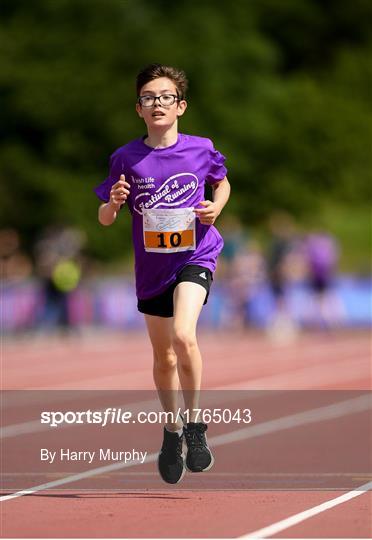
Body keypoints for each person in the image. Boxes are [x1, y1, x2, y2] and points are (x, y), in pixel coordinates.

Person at [94, 64, 231, 484]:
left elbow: (222, 182)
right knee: (163, 356)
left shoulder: (201, 148)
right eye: (149, 98)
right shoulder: (125, 157)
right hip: (152, 268)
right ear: (139, 109)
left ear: (180, 106)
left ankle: (195, 425)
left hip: (195, 255)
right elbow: (102, 218)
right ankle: (172, 431)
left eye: (165, 96)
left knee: (184, 336)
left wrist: (216, 207)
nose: (157, 103)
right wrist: (115, 204)